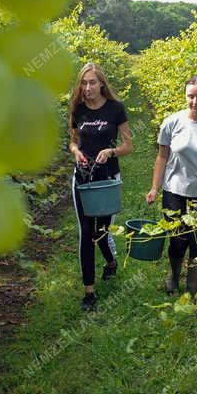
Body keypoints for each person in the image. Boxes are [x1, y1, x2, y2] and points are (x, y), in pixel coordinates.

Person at [146, 76, 197, 301]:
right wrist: (155, 187)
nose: (195, 101)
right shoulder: (172, 122)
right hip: (174, 190)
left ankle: (194, 290)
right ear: (185, 97)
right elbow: (162, 157)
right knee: (176, 239)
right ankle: (173, 275)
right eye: (190, 96)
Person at [69, 62, 133, 311]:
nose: (87, 88)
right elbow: (73, 142)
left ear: (102, 84)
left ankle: (110, 262)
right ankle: (89, 292)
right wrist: (76, 152)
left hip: (107, 178)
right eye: (84, 83)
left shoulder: (116, 109)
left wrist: (111, 151)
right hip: (83, 178)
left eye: (92, 82)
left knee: (101, 232)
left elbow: (129, 146)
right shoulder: (77, 110)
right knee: (86, 233)